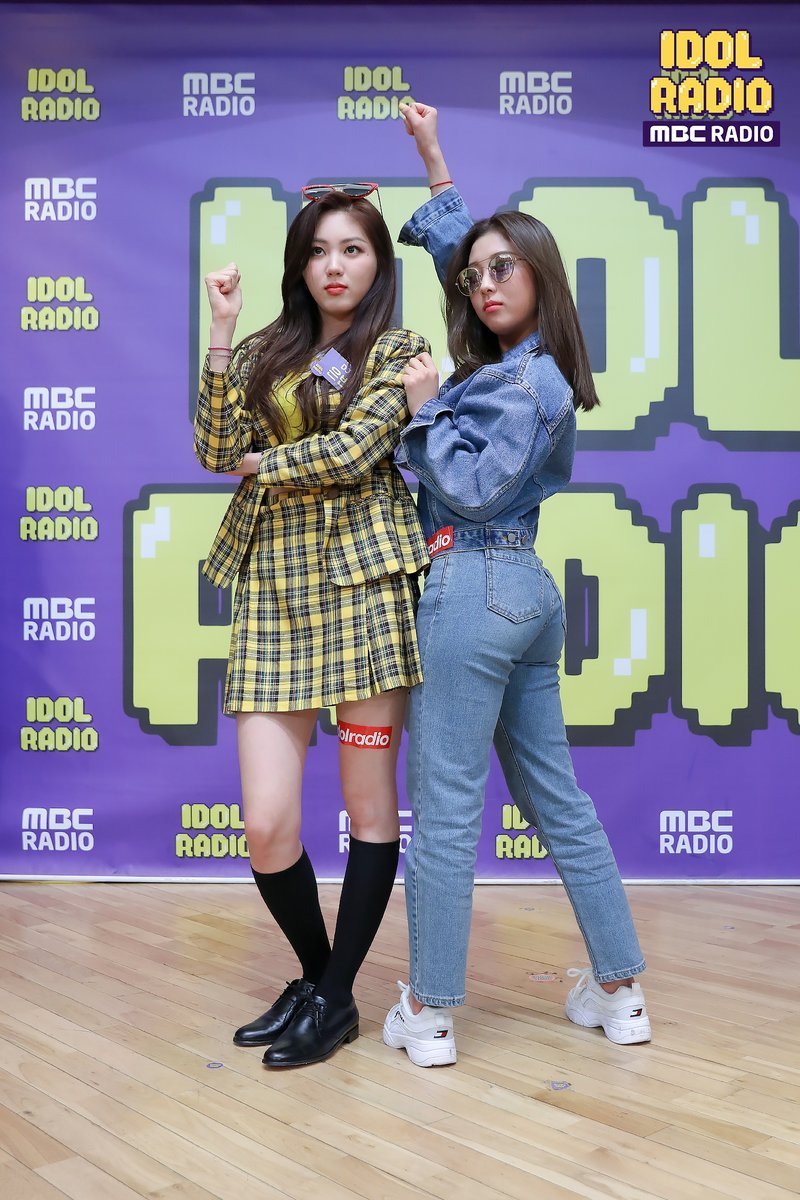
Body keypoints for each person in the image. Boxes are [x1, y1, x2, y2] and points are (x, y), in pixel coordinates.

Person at [382, 104, 651, 1068]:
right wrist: (434, 158)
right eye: (478, 274)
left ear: (543, 277)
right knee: (559, 800)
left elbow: (470, 486)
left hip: (473, 580)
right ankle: (619, 991)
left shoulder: (529, 383)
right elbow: (465, 251)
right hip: (524, 594)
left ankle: (428, 1010)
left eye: (506, 269)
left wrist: (423, 411)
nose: (485, 283)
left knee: (448, 805)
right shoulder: (520, 367)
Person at [194, 183, 430, 1068]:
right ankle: (320, 981)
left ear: (378, 263)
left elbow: (358, 451)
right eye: (321, 250)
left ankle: (331, 1000)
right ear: (300, 263)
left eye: (353, 250)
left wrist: (266, 463)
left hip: (366, 582)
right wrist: (222, 333)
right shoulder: (265, 348)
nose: (336, 266)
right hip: (274, 587)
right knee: (265, 823)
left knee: (370, 808)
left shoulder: (398, 348)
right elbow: (216, 452)